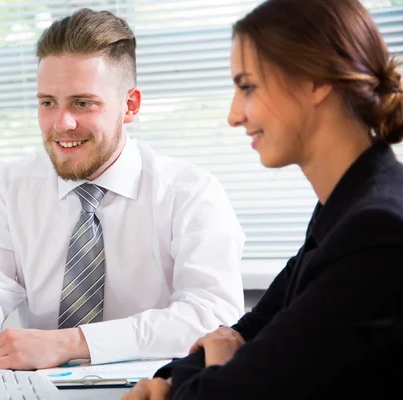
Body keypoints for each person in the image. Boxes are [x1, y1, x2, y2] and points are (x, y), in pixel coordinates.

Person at [0, 8, 246, 370]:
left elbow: (214, 318)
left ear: (129, 105)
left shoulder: (190, 192)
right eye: (47, 103)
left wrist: (73, 343)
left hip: (152, 389)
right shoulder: (10, 188)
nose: (61, 124)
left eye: (83, 103)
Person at [122, 0, 403, 399]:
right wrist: (172, 380)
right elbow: (252, 329)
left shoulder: (375, 231)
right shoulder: (341, 210)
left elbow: (239, 388)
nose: (234, 115)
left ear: (316, 79)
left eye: (248, 87)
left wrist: (201, 378)